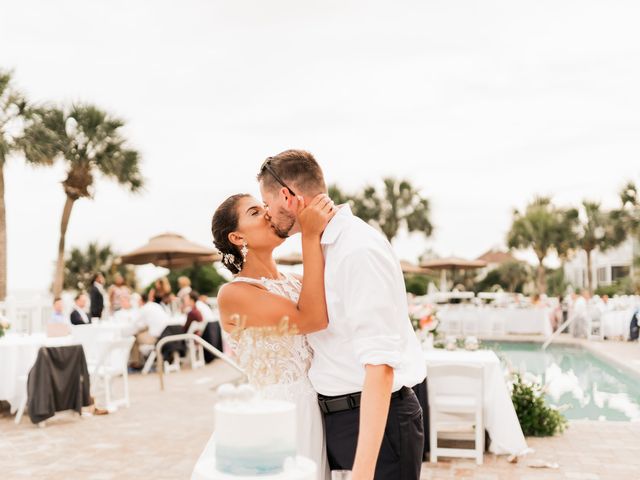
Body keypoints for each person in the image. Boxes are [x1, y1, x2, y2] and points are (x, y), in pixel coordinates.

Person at [258, 150, 426, 480]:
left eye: (267, 204)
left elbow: (380, 366)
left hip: (378, 424)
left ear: (287, 197)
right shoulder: (322, 247)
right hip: (342, 422)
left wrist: (362, 474)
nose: (268, 214)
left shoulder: (356, 248)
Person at [210, 189, 335, 480]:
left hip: (320, 407)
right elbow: (313, 318)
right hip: (278, 421)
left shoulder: (297, 281)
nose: (267, 213)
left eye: (264, 205)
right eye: (254, 212)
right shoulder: (235, 293)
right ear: (237, 238)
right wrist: (309, 236)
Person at [129, 292, 171, 368]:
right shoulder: (155, 305)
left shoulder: (144, 309)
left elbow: (135, 324)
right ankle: (140, 361)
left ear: (141, 301)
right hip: (167, 333)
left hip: (157, 337)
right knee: (140, 334)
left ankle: (136, 363)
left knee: (133, 338)